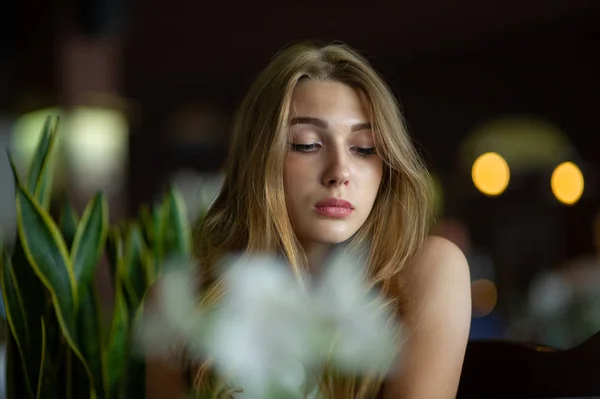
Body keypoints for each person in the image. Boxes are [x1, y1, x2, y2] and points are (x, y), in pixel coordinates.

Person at [146, 41, 471, 398]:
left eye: (364, 148)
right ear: (260, 160)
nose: (339, 172)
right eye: (306, 144)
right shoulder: (183, 299)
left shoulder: (429, 269)